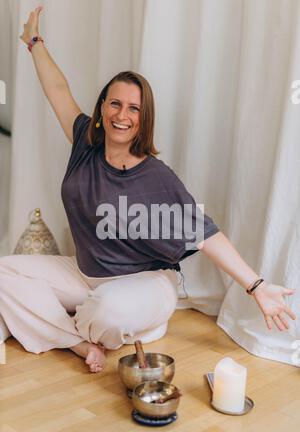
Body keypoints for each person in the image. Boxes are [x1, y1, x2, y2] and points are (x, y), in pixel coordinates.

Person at [0, 7, 296, 374]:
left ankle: (132, 323)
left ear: (143, 119)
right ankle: (78, 341)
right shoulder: (84, 143)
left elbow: (206, 235)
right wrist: (33, 41)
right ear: (102, 109)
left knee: (109, 307)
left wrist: (257, 287)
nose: (122, 114)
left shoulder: (156, 177)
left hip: (146, 282)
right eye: (116, 103)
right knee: (3, 273)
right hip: (85, 274)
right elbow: (57, 89)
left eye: (134, 108)